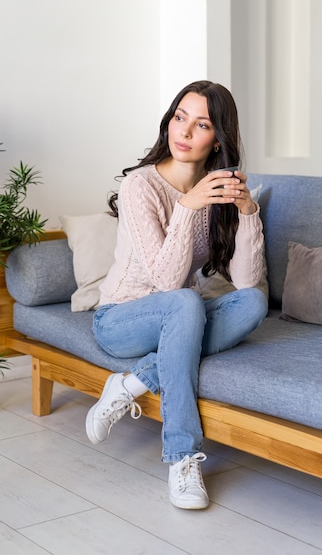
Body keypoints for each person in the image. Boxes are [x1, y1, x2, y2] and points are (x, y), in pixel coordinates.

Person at [85, 80, 268, 510]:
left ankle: (130, 384)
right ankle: (183, 457)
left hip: (180, 318)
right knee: (186, 300)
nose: (183, 132)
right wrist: (187, 206)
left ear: (218, 138)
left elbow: (245, 281)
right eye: (179, 117)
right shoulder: (139, 187)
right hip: (121, 319)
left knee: (254, 301)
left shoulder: (216, 188)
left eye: (200, 124)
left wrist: (247, 213)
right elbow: (169, 282)